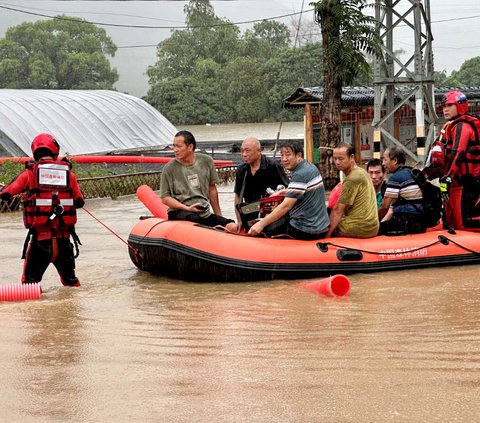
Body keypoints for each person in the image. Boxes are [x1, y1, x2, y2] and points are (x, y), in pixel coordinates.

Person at [0, 133, 84, 287]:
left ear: (35, 152)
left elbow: (6, 194)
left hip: (41, 242)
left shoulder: (29, 174)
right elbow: (79, 202)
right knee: (71, 283)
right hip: (64, 241)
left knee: (29, 286)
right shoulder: (69, 175)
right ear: (55, 151)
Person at [248, 141, 329, 240]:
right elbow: (303, 189)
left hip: (306, 229)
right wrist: (284, 191)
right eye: (282, 155)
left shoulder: (300, 174)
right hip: (321, 226)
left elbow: (286, 206)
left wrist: (261, 224)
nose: (284, 159)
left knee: (265, 229)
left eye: (288, 155)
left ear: (298, 155)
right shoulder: (310, 167)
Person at [160, 130, 237, 231]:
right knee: (194, 219)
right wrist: (186, 208)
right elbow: (165, 198)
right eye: (174, 146)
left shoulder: (206, 161)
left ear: (190, 147)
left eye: (179, 146)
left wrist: (219, 216)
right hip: (179, 212)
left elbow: (212, 190)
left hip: (203, 212)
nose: (175, 150)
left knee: (232, 225)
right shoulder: (169, 168)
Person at [425, 90, 480, 230]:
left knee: (462, 223)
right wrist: (426, 173)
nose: (445, 109)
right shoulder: (448, 126)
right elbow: (437, 153)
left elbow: (458, 152)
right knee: (448, 220)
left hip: (462, 182)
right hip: (447, 183)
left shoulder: (463, 126)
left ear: (460, 105)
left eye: (449, 105)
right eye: (444, 106)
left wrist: (448, 176)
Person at [233, 136, 289, 230]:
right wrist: (239, 220)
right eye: (242, 151)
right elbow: (237, 196)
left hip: (270, 215)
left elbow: (288, 191)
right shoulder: (241, 170)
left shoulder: (272, 166)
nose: (244, 154)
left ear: (259, 151)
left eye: (247, 151)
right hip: (250, 213)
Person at [326, 143, 379, 238]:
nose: (337, 162)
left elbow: (338, 211)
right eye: (335, 159)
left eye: (341, 159)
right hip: (372, 227)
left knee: (321, 225)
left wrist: (327, 236)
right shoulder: (362, 172)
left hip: (358, 228)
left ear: (351, 157)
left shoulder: (352, 179)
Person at [378, 146, 426, 235]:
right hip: (420, 222)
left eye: (385, 160)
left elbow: (385, 207)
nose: (383, 164)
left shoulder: (396, 177)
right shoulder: (410, 172)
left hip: (406, 222)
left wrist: (372, 220)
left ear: (395, 161)